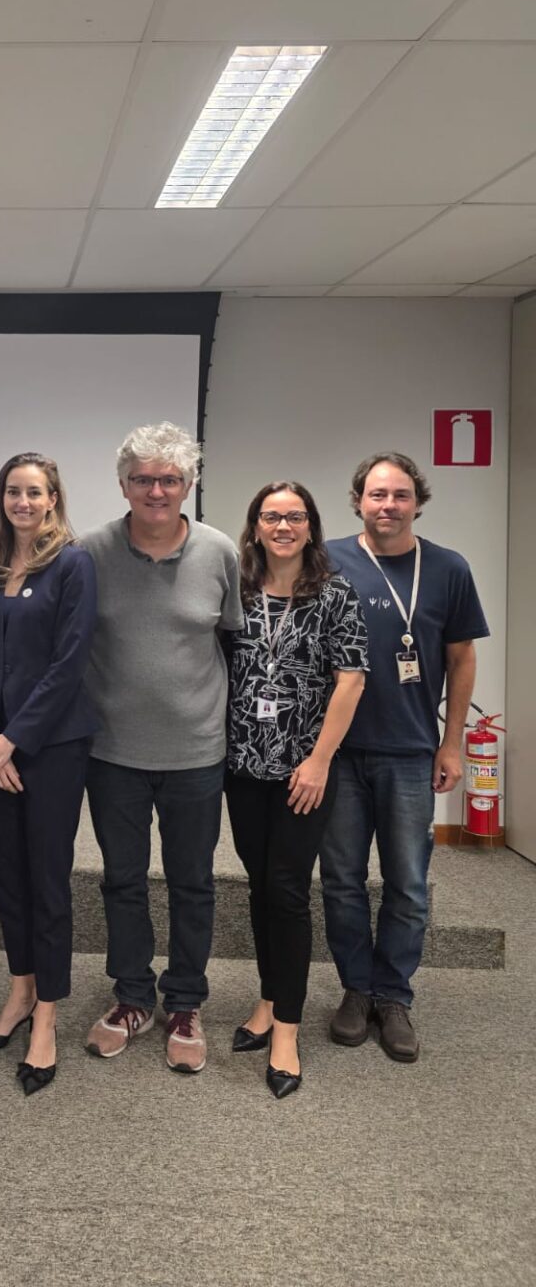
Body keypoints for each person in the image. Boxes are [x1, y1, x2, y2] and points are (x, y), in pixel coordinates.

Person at [81, 422, 242, 1073]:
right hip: (112, 752)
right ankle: (131, 997)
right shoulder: (89, 553)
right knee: (122, 879)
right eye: (143, 479)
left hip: (196, 753)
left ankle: (185, 1001)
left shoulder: (219, 552)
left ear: (188, 485)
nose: (156, 491)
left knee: (192, 882)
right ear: (123, 485)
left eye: (169, 479)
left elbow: (230, 641)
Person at [321, 452, 488, 1063]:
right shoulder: (327, 561)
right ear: (358, 501)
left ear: (417, 502)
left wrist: (453, 742)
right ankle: (356, 989)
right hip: (338, 754)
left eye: (399, 495)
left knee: (408, 885)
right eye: (376, 494)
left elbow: (462, 657)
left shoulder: (448, 568)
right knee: (341, 881)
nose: (387, 505)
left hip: (412, 752)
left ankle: (393, 995)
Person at [224, 482, 367, 1098]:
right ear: (256, 526)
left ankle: (287, 1029)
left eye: (295, 516)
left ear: (311, 526)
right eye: (271, 516)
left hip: (302, 771)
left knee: (286, 891)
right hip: (241, 765)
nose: (283, 526)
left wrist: (319, 761)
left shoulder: (334, 593)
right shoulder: (238, 588)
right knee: (259, 885)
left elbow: (351, 680)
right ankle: (267, 997)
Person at [0, 453, 97, 1096]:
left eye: (33, 492)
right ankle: (19, 991)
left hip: (51, 748)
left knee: (46, 879)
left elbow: (70, 663)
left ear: (52, 499)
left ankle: (46, 1015)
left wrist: (14, 740)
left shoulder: (73, 564)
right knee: (7, 874)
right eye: (12, 491)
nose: (22, 501)